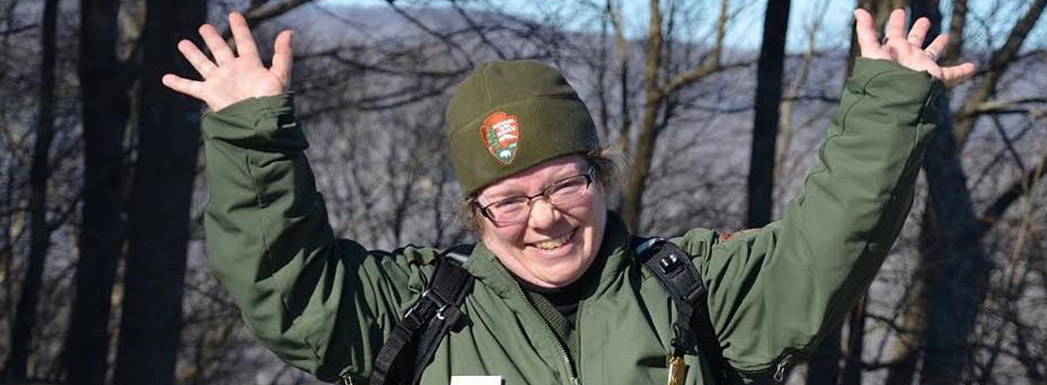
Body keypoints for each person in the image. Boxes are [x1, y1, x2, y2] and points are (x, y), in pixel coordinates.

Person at [163, 8, 974, 385]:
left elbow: (826, 246)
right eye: (509, 200)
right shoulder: (413, 314)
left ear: (600, 173)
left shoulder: (692, 291)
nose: (544, 217)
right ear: (475, 212)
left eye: (563, 184)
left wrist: (886, 107)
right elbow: (285, 282)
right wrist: (252, 133)